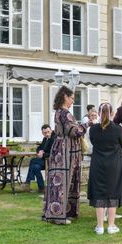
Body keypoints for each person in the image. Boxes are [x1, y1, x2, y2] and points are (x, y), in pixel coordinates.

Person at [42, 86, 86, 225]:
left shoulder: (58, 112)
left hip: (60, 149)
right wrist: (87, 125)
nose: (73, 101)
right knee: (62, 182)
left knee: (59, 182)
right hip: (65, 151)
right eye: (72, 98)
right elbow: (74, 132)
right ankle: (59, 215)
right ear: (65, 97)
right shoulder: (65, 113)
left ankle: (59, 212)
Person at [88, 103, 122, 234]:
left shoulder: (92, 129)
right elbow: (121, 144)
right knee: (113, 192)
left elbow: (92, 142)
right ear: (112, 113)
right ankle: (110, 225)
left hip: (98, 163)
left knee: (99, 193)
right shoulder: (118, 129)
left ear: (99, 113)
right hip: (114, 164)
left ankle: (99, 226)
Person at [23, 124, 55, 193]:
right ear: (42, 133)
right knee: (35, 167)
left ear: (51, 130)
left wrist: (43, 155)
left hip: (50, 161)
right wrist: (39, 151)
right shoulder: (45, 139)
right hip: (43, 161)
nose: (46, 134)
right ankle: (41, 188)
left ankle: (28, 182)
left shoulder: (54, 139)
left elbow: (53, 153)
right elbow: (39, 147)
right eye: (45, 133)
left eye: (48, 132)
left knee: (33, 160)